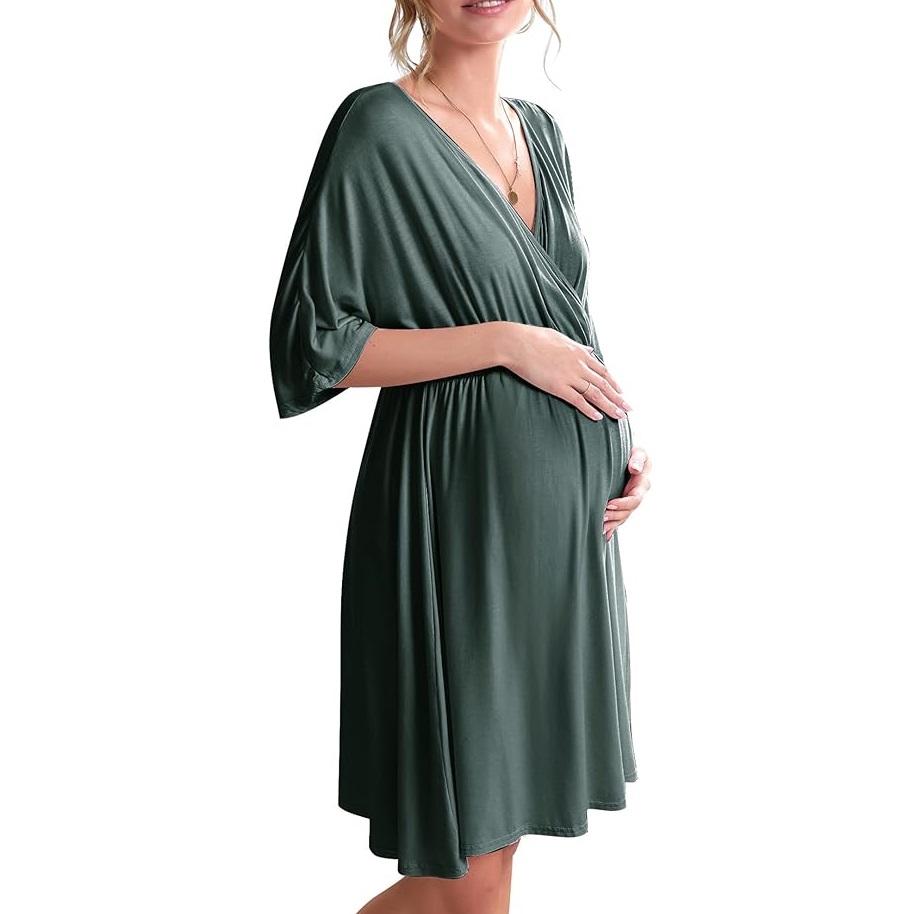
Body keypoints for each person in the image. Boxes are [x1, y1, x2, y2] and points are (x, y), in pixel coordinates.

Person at [269, 1, 654, 911]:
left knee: (494, 853)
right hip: (452, 514)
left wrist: (619, 441)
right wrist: (502, 344)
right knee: (467, 871)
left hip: (563, 541)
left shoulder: (542, 134)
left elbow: (562, 318)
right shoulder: (378, 126)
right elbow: (315, 343)